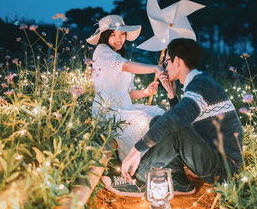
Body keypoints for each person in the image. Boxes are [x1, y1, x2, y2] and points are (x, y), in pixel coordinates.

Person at [102, 38, 244, 197]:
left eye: (168, 62)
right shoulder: (198, 83)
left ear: (177, 61)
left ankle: (139, 180)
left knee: (172, 127)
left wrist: (137, 150)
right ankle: (179, 181)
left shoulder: (201, 84)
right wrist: (171, 95)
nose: (166, 67)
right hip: (214, 157)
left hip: (223, 166)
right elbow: (184, 119)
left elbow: (177, 120)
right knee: (159, 121)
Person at [87, 14, 165, 161]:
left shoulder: (118, 57)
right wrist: (154, 68)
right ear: (104, 37)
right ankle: (135, 165)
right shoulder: (102, 51)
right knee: (144, 119)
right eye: (113, 35)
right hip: (108, 110)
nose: (119, 38)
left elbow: (127, 93)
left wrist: (145, 92)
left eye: (122, 34)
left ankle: (155, 161)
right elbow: (127, 66)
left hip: (124, 107)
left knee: (158, 113)